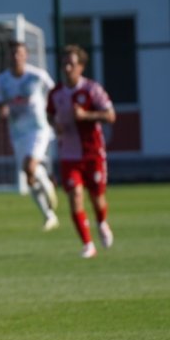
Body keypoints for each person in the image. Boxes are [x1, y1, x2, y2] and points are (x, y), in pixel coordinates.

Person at [47, 45, 116, 258]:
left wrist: (86, 116)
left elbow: (110, 116)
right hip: (69, 154)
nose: (67, 68)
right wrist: (55, 125)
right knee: (75, 195)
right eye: (64, 64)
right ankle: (88, 244)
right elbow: (50, 115)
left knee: (97, 198)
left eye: (72, 64)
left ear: (81, 67)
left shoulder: (92, 90)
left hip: (93, 153)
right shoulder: (55, 93)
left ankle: (102, 222)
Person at [0, 41, 59, 231]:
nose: (16, 57)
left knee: (29, 166)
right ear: (8, 56)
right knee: (29, 177)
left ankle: (47, 183)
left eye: (19, 53)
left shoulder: (37, 76)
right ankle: (48, 215)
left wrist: (54, 116)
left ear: (26, 55)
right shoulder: (2, 80)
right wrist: (2, 111)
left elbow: (55, 95)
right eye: (12, 53)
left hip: (39, 129)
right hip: (17, 132)